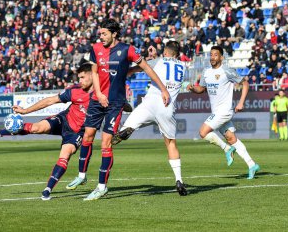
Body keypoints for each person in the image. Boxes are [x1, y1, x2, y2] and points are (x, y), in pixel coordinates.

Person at [66, 18, 170, 201]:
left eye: (104, 33)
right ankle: (82, 176)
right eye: (100, 33)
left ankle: (101, 187)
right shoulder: (96, 49)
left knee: (106, 142)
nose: (101, 37)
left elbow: (146, 68)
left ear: (114, 34)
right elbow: (95, 73)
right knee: (88, 135)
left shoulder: (128, 50)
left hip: (115, 103)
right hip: (98, 100)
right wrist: (98, 93)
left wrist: (163, 89)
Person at [0, 64, 93, 200]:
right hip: (63, 119)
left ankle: (48, 189)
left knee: (65, 155)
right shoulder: (75, 90)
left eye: (82, 77)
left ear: (91, 75)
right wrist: (25, 111)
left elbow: (118, 106)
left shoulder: (102, 95)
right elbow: (49, 101)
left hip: (77, 132)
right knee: (36, 128)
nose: (80, 81)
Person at [111, 41, 188, 196]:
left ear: (165, 52)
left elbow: (133, 70)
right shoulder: (184, 67)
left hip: (150, 103)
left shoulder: (157, 61)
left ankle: (128, 128)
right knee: (171, 144)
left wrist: (146, 57)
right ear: (177, 54)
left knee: (126, 127)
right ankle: (178, 179)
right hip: (167, 107)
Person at [186, 46, 260, 179]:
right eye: (211, 55)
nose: (212, 57)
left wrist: (241, 102)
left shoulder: (227, 71)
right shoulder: (206, 72)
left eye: (215, 55)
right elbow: (201, 89)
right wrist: (192, 88)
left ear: (221, 57)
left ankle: (226, 149)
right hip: (217, 111)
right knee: (231, 138)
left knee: (203, 132)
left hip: (224, 111)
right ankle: (252, 164)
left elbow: (245, 84)